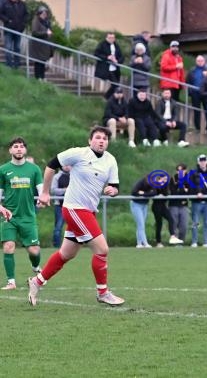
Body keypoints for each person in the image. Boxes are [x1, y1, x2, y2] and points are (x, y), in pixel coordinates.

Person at [28, 126, 124, 306]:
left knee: (66, 253)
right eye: (97, 137)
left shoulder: (110, 160)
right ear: (90, 140)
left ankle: (37, 282)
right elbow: (50, 165)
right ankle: (102, 293)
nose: (101, 140)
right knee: (102, 249)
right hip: (74, 209)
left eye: (105, 138)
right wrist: (45, 193)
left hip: (88, 211)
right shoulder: (79, 153)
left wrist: (113, 190)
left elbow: (115, 186)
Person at [0, 137, 43, 290]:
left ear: (25, 150)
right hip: (9, 216)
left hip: (28, 216)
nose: (19, 149)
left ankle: (36, 267)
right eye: (15, 146)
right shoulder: (3, 169)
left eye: (21, 147)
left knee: (34, 250)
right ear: (10, 150)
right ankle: (11, 282)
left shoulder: (34, 169)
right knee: (8, 246)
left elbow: (41, 189)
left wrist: (42, 199)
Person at [188, 154, 207, 247]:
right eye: (201, 161)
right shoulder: (193, 173)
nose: (203, 162)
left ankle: (206, 241)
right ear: (198, 162)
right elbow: (190, 186)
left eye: (204, 160)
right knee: (195, 222)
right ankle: (194, 241)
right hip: (197, 202)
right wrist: (197, 193)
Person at [150, 175, 184, 247]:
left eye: (166, 179)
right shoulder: (155, 184)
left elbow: (166, 194)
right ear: (159, 178)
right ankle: (158, 242)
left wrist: (163, 187)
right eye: (164, 179)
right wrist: (159, 185)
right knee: (159, 224)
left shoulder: (166, 185)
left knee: (171, 219)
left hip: (163, 206)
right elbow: (154, 193)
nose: (165, 180)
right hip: (156, 206)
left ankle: (172, 236)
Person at [94, 32, 124, 100]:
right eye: (110, 38)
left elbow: (121, 56)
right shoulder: (102, 44)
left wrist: (117, 61)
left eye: (113, 38)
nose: (111, 39)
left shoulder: (116, 45)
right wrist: (107, 57)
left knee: (116, 84)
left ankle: (108, 98)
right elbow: (96, 53)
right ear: (106, 38)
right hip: (107, 68)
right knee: (115, 85)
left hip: (115, 68)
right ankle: (106, 97)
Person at [0, 0, 28, 69]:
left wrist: (23, 24)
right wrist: (7, 20)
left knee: (17, 48)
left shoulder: (22, 4)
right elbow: (1, 14)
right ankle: (9, 64)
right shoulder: (5, 3)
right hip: (9, 29)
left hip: (18, 29)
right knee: (8, 47)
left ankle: (16, 65)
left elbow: (26, 14)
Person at [130, 174, 156, 248]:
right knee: (141, 224)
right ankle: (145, 243)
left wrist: (143, 193)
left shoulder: (152, 184)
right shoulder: (140, 183)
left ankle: (139, 243)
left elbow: (153, 193)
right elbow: (134, 192)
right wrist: (147, 194)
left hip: (145, 205)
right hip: (136, 205)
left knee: (141, 224)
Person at [186, 55, 207, 131]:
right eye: (198, 61)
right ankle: (197, 128)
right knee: (196, 110)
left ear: (204, 62)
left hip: (206, 93)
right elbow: (187, 81)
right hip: (195, 93)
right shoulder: (192, 70)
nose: (200, 62)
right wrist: (190, 92)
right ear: (196, 62)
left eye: (201, 61)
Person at [169, 163, 190, 245]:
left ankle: (181, 243)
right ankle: (174, 242)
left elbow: (190, 192)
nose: (180, 172)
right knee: (174, 224)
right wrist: (183, 189)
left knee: (184, 226)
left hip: (184, 205)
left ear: (185, 170)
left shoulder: (188, 179)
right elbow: (173, 192)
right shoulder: (173, 179)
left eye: (182, 170)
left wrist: (182, 190)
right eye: (178, 170)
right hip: (173, 204)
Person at [29, 6, 52, 80]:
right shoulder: (36, 21)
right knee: (38, 62)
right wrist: (46, 33)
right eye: (43, 13)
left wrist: (49, 33)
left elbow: (49, 30)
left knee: (43, 62)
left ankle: (42, 77)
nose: (45, 14)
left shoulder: (47, 22)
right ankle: (37, 77)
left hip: (44, 46)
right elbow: (34, 33)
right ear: (39, 13)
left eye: (45, 13)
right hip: (38, 45)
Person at [51, 165, 71, 248]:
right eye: (65, 165)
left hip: (73, 206)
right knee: (58, 228)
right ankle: (56, 247)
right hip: (60, 206)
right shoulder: (57, 177)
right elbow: (53, 190)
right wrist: (65, 190)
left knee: (74, 228)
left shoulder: (75, 175)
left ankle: (73, 246)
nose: (67, 167)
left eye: (69, 165)